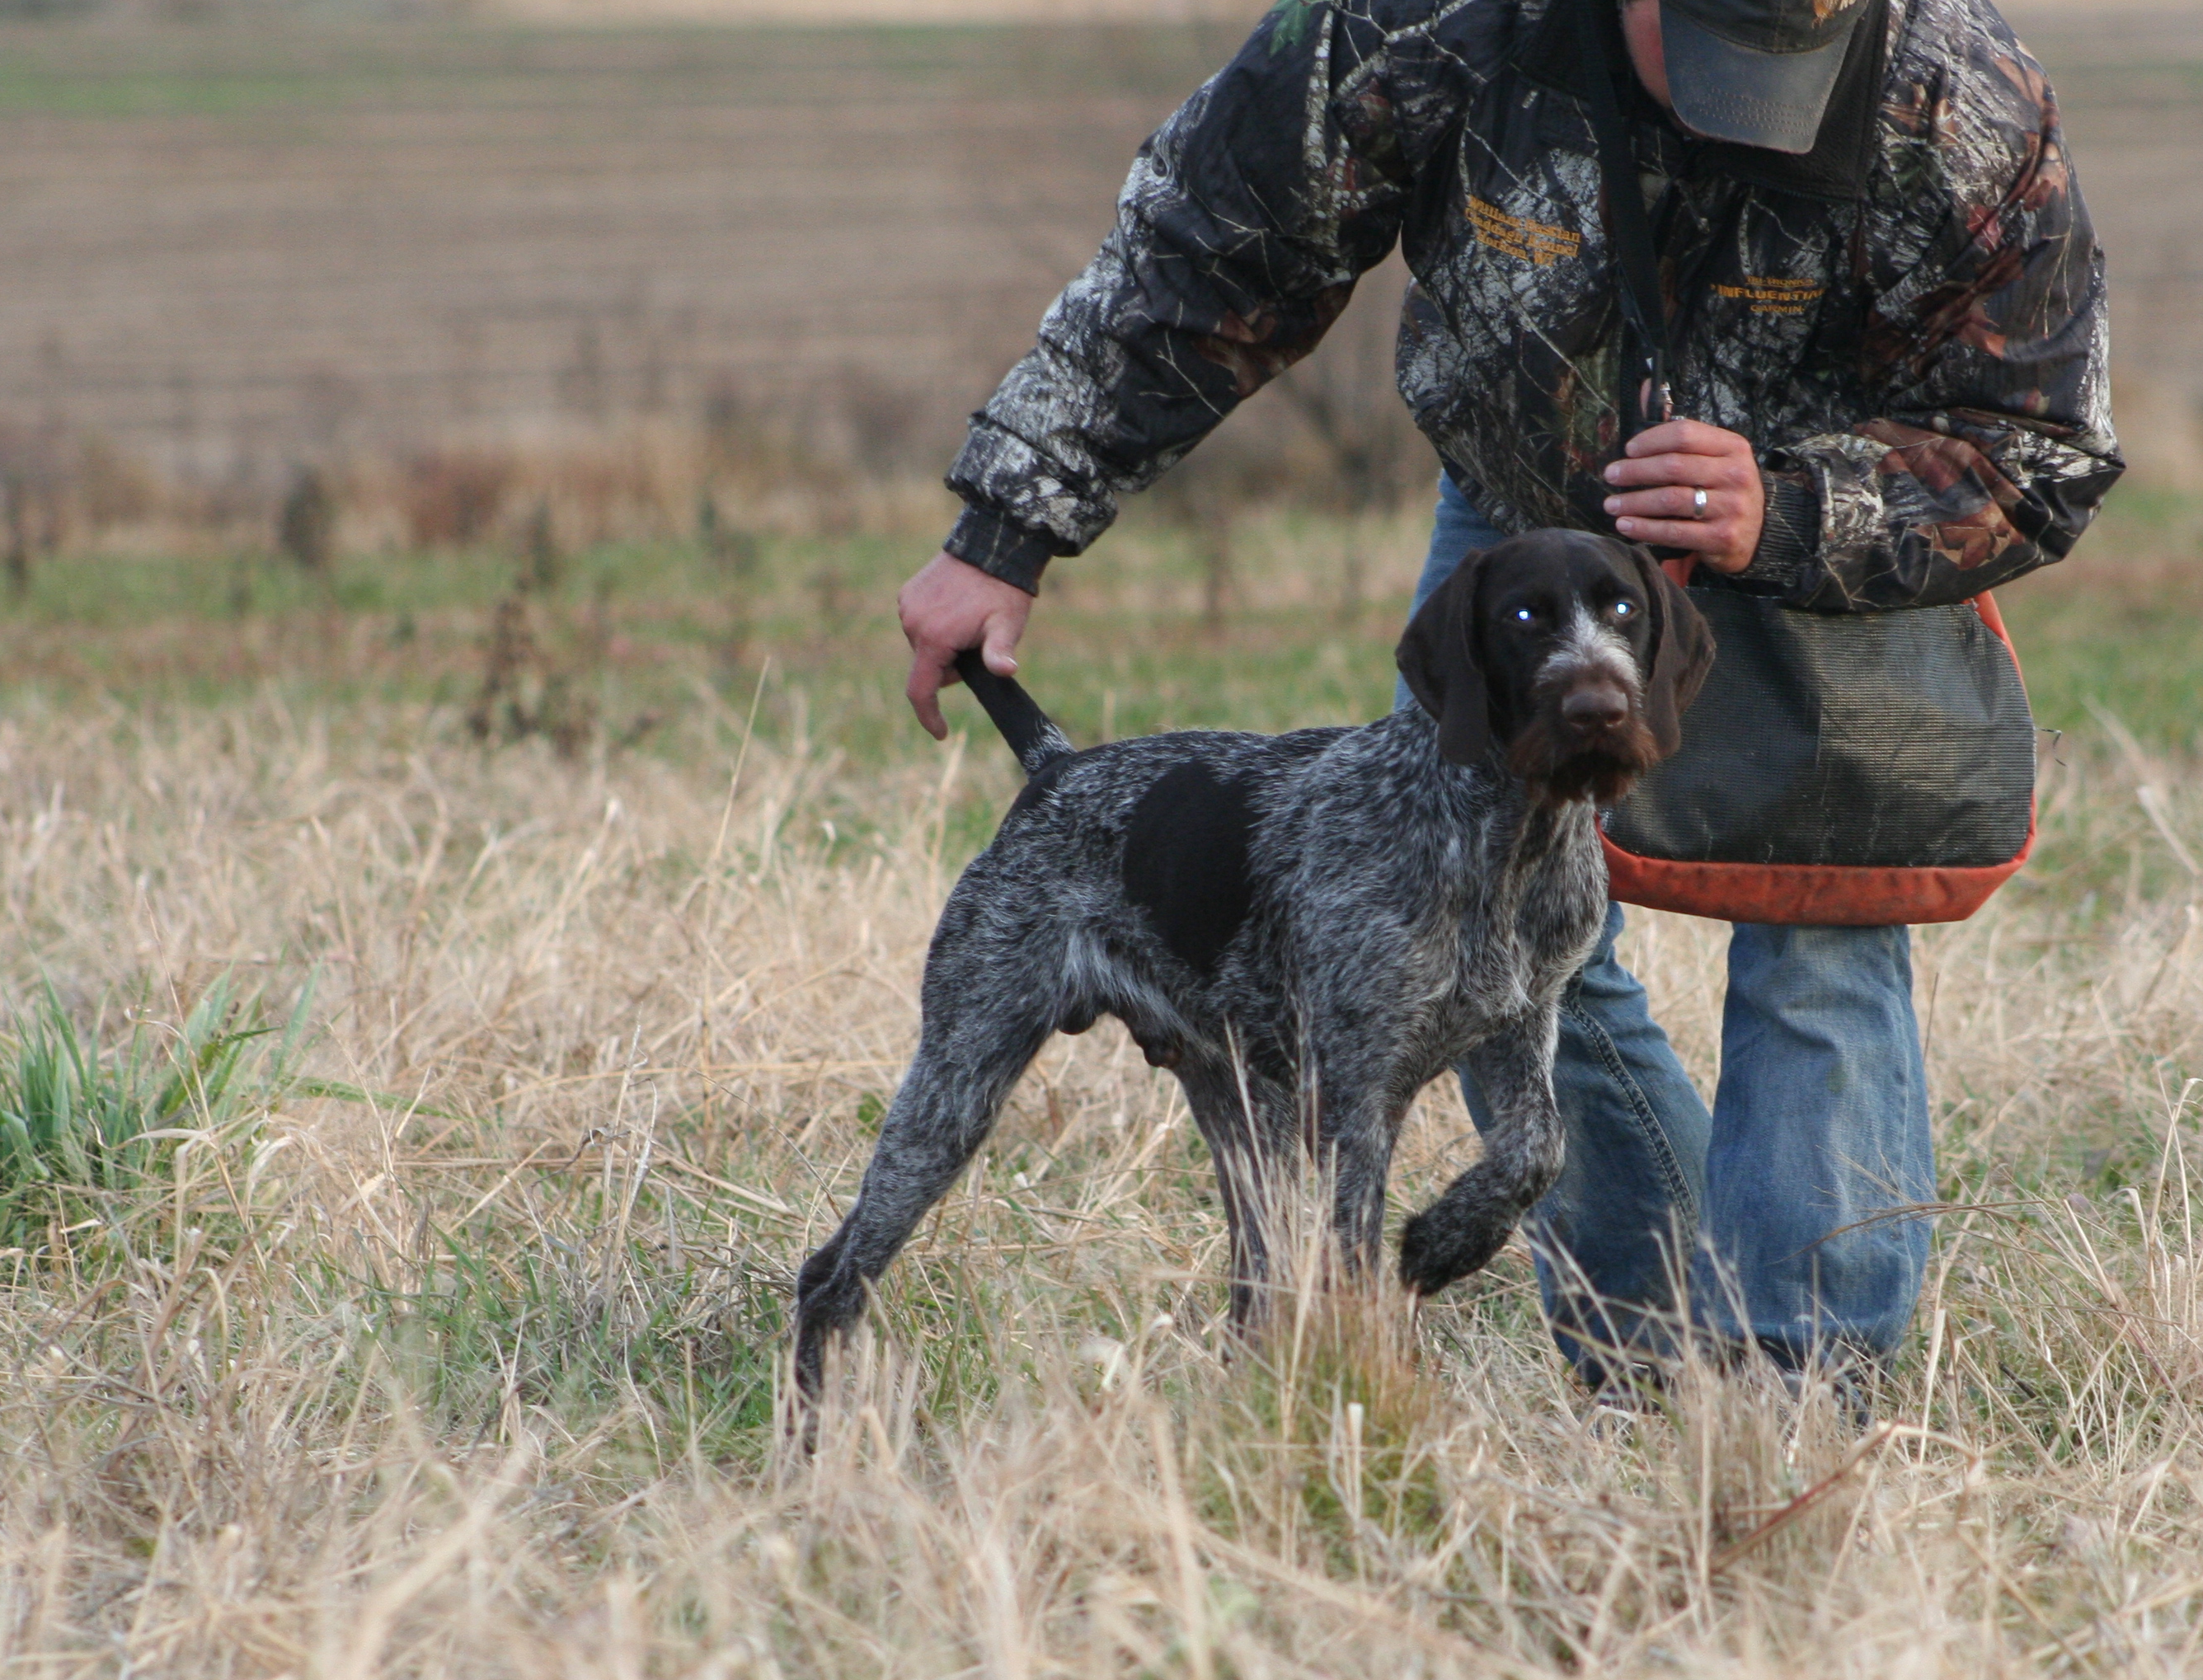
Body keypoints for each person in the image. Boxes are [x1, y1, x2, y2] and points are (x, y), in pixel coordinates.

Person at [892, 0, 2121, 1396]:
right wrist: (1007, 527)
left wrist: (1790, 507)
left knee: (1820, 936)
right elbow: (1214, 243)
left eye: (1783, 74)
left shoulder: (1958, 96)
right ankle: (1650, 1353)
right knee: (1486, 940)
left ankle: (1799, 1398)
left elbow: (2043, 448)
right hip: (1525, 523)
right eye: (1711, 57)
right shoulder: (1429, 20)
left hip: (1824, 535)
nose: (1733, 108)